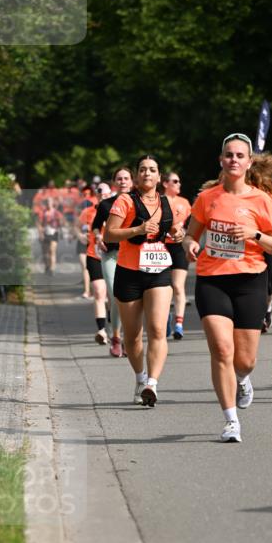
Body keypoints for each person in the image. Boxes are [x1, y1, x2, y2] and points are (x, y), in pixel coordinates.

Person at [182, 133, 272, 443]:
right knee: (222, 349)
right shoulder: (207, 198)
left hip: (250, 281)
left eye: (240, 155)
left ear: (249, 161)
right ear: (221, 160)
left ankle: (242, 379)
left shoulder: (260, 199)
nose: (234, 160)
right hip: (212, 280)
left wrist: (254, 234)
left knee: (245, 360)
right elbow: (190, 235)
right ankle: (230, 420)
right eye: (229, 155)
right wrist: (189, 246)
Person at [104, 155, 174, 407]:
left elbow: (175, 232)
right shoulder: (125, 201)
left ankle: (152, 383)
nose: (147, 173)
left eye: (152, 170)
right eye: (142, 169)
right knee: (133, 336)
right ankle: (139, 377)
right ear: (136, 176)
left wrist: (177, 234)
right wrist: (137, 230)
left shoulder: (168, 202)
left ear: (159, 177)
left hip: (158, 270)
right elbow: (109, 233)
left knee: (157, 329)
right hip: (129, 271)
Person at [93, 167, 133, 357]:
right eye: (120, 178)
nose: (123, 181)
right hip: (111, 254)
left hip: (132, 255)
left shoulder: (139, 202)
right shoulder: (106, 205)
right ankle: (116, 337)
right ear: (114, 182)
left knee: (130, 299)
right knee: (116, 295)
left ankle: (125, 338)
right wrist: (98, 238)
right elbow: (94, 226)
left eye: (126, 178)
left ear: (132, 181)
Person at [160, 171, 190, 339]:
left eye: (179, 181)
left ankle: (179, 324)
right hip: (161, 247)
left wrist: (185, 231)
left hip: (179, 246)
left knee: (178, 286)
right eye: (175, 181)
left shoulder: (184, 202)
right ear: (165, 184)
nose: (179, 184)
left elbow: (191, 224)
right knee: (164, 287)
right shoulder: (158, 200)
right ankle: (165, 318)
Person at [82, 184, 110, 344]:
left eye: (105, 194)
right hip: (94, 255)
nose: (102, 196)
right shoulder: (88, 212)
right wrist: (81, 235)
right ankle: (101, 330)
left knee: (112, 296)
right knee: (99, 292)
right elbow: (77, 228)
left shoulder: (115, 210)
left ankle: (115, 330)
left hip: (113, 256)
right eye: (99, 193)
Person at [37, 196, 64, 275]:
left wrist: (60, 224)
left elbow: (61, 222)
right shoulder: (43, 212)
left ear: (52, 203)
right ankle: (47, 266)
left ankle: (52, 269)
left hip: (54, 232)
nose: (49, 204)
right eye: (47, 202)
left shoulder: (56, 212)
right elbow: (39, 223)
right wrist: (40, 233)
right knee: (45, 252)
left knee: (52, 251)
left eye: (50, 202)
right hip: (45, 232)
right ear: (46, 204)